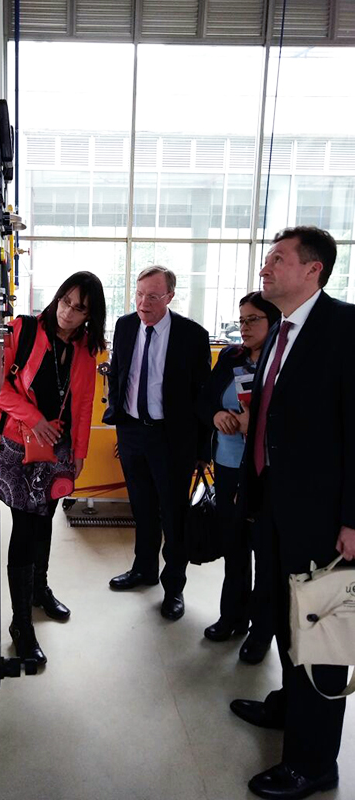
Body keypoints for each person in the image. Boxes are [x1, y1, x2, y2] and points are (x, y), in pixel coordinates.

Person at [230, 226, 355, 799]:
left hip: (324, 518)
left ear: (312, 269)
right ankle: (289, 708)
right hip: (275, 508)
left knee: (321, 637)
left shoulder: (345, 328)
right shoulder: (280, 330)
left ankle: (313, 763)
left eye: (277, 259)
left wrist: (353, 519)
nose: (265, 268)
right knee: (284, 618)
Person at [0, 271, 106, 666]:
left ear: (90, 315)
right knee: (24, 528)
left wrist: (80, 452)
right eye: (65, 301)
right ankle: (20, 623)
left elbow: (85, 404)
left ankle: (39, 590)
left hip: (59, 451)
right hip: (20, 446)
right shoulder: (23, 330)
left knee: (45, 521)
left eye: (79, 308)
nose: (67, 312)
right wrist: (34, 417)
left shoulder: (86, 349)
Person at [104, 265, 211, 621]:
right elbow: (119, 374)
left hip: (171, 439)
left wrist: (202, 450)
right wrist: (120, 421)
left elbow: (202, 396)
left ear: (170, 297)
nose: (143, 303)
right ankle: (144, 569)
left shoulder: (192, 335)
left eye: (152, 296)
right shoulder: (125, 326)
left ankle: (174, 587)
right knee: (142, 508)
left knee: (174, 515)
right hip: (133, 433)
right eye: (138, 294)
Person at [198, 291, 280, 663]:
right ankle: (231, 616)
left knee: (265, 552)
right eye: (241, 320)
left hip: (266, 470)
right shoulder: (231, 357)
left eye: (253, 320)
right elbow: (205, 401)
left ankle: (261, 632)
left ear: (273, 321)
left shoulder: (282, 360)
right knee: (234, 545)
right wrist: (216, 415)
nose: (244, 328)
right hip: (229, 464)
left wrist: (256, 425)